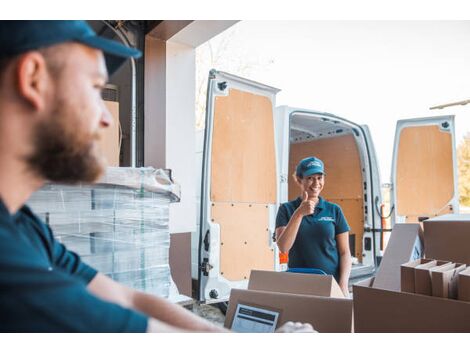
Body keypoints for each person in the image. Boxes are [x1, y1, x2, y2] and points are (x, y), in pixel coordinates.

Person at [0, 20, 314, 333]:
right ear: (33, 79)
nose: (107, 118)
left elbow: (128, 300)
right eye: (95, 88)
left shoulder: (23, 226)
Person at [275, 157, 352, 297]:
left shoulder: (334, 210)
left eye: (319, 177)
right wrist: (299, 214)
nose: (316, 183)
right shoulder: (286, 209)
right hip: (298, 284)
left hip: (331, 283)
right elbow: (283, 247)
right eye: (310, 178)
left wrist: (343, 284)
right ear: (299, 179)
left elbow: (345, 252)